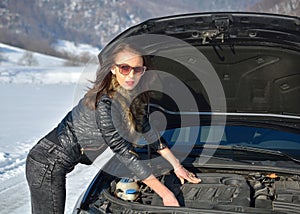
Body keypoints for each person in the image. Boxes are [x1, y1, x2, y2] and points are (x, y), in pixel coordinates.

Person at [26, 41, 201, 214]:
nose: (131, 75)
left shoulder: (132, 97)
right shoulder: (105, 103)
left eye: (138, 69)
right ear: (113, 69)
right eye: (125, 68)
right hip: (47, 162)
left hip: (57, 162)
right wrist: (165, 193)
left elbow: (149, 132)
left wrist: (177, 166)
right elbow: (122, 150)